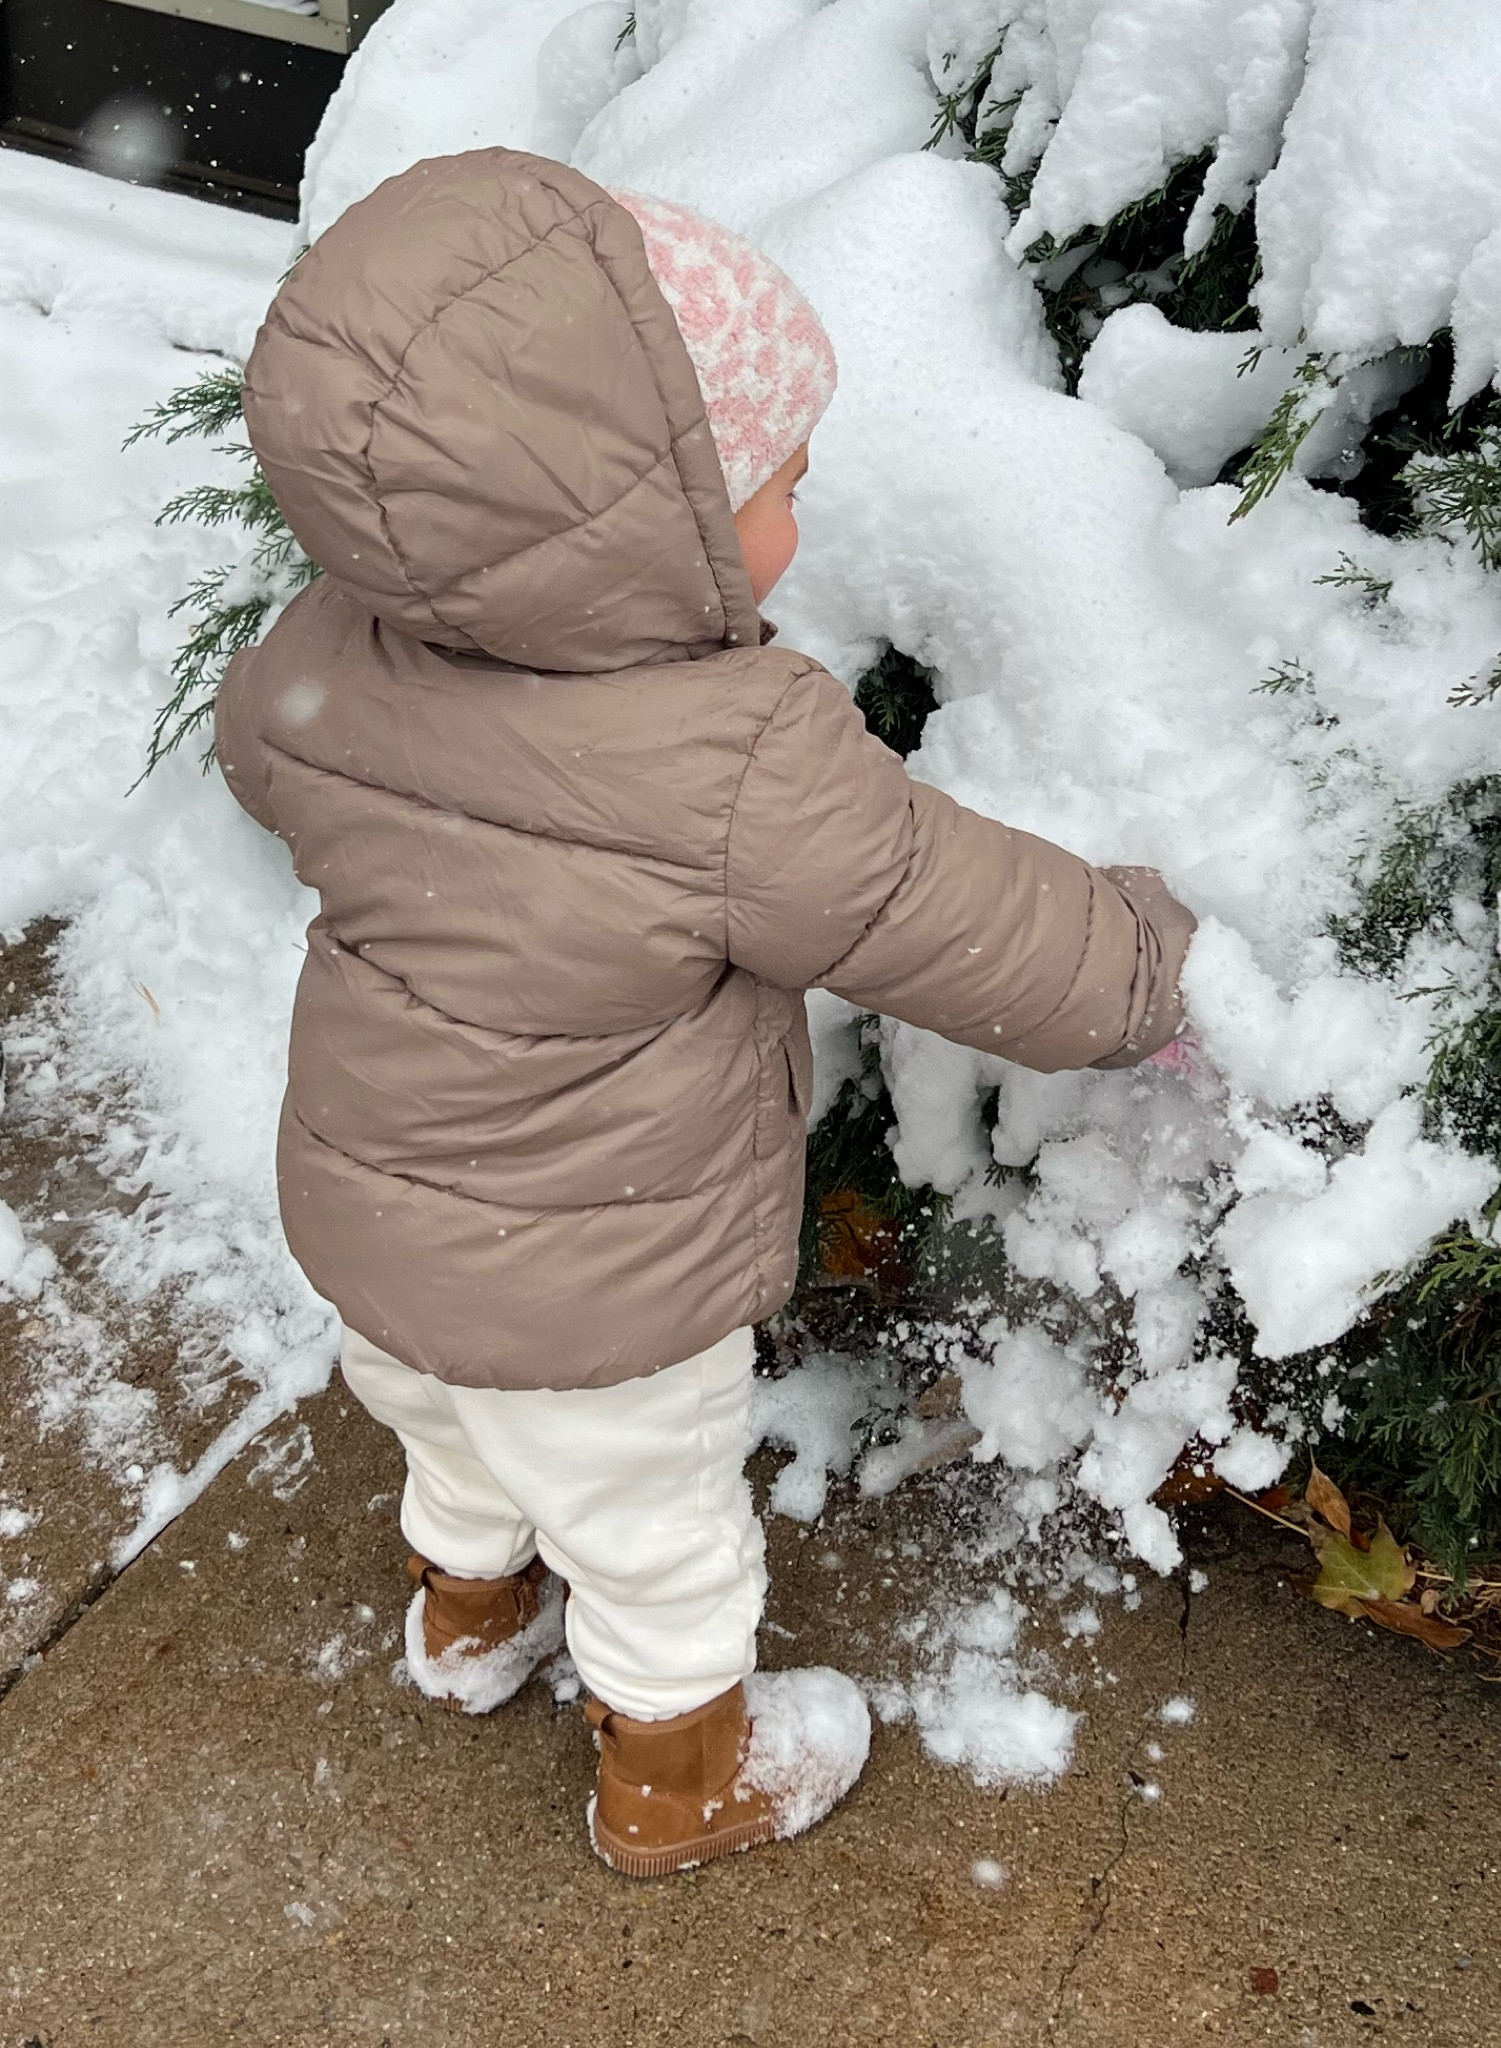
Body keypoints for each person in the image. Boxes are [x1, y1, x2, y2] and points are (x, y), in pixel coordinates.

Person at [215, 150, 1195, 1878]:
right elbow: (949, 912)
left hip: (375, 1224)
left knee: (457, 1431)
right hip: (594, 1282)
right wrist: (1151, 969)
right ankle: (678, 1784)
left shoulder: (332, 651)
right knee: (657, 1534)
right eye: (779, 480)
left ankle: (465, 1624)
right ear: (642, 516)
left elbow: (258, 756)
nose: (800, 518)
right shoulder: (733, 763)